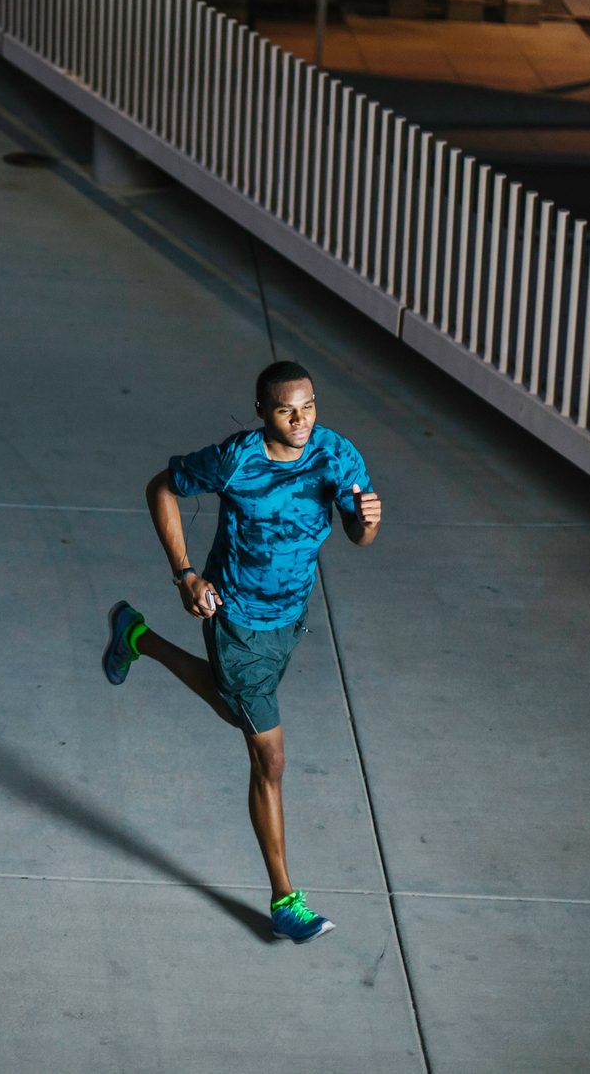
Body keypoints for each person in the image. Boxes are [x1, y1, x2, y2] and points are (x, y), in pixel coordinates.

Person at [102, 360, 381, 943]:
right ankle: (285, 898)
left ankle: (137, 637)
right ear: (262, 412)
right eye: (285, 409)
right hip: (236, 621)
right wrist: (185, 577)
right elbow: (161, 488)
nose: (300, 419)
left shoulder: (336, 453)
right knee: (269, 760)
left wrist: (369, 521)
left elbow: (360, 533)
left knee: (238, 710)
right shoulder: (237, 459)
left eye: (308, 406)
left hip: (289, 619)